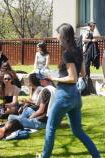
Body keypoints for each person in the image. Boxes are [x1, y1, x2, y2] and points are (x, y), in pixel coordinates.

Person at [40, 23, 100, 158]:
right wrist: (61, 75)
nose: (56, 37)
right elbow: (83, 73)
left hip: (65, 96)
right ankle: (96, 156)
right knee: (78, 131)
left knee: (50, 128)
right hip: (75, 97)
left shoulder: (67, 53)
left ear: (63, 36)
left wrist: (53, 78)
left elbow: (72, 78)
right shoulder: (78, 50)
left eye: (57, 34)